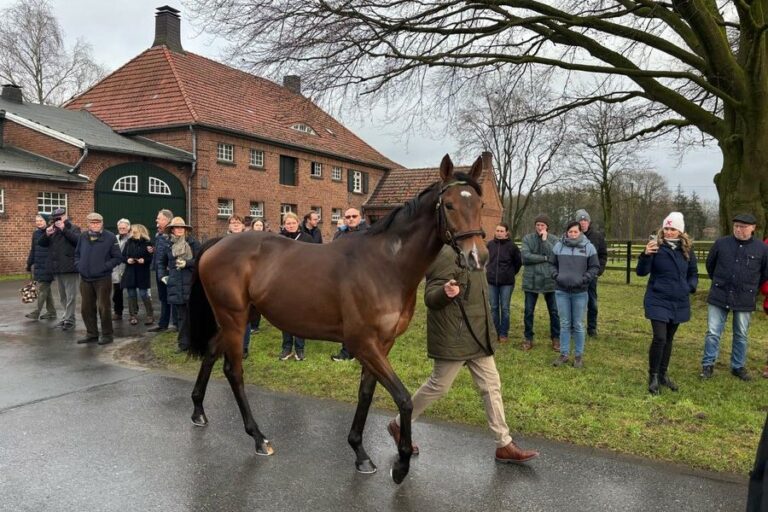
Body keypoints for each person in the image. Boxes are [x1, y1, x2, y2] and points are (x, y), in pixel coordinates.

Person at [386, 244, 539, 464]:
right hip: (454, 335)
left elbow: (479, 295)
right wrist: (445, 292)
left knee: (491, 385)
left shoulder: (475, 251)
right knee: (438, 386)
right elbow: (430, 297)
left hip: (477, 334)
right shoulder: (443, 253)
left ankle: (504, 444)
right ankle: (399, 425)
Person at [700, 213, 768, 381]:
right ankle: (708, 364)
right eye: (736, 226)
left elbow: (764, 273)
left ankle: (738, 366)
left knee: (741, 334)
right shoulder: (721, 244)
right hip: (720, 294)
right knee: (713, 332)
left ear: (753, 228)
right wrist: (720, 281)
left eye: (743, 227)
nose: (739, 229)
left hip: (745, 297)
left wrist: (750, 287)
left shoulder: (762, 249)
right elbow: (710, 265)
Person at [636, 212, 698, 394]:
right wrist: (645, 255)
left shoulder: (687, 250)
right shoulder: (656, 247)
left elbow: (693, 272)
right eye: (666, 228)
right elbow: (641, 272)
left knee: (669, 339)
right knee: (660, 337)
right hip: (658, 298)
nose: (669, 232)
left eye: (673, 229)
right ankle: (653, 376)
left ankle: (663, 374)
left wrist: (689, 287)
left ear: (680, 231)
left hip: (678, 300)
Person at [550, 220, 600, 368]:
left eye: (575, 232)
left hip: (580, 292)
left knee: (578, 324)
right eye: (570, 231)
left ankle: (578, 356)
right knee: (565, 324)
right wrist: (556, 276)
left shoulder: (588, 247)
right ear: (566, 232)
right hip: (561, 291)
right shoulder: (558, 246)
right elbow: (552, 264)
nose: (572, 234)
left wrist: (584, 279)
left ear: (580, 232)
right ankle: (564, 354)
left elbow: (594, 267)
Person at [74, 213, 123, 345]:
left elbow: (118, 257)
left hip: (103, 278)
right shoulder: (83, 236)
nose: (95, 225)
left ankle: (107, 334)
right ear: (88, 224)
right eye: (92, 222)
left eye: (98, 222)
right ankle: (92, 333)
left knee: (104, 307)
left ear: (102, 223)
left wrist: (104, 267)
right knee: (86, 308)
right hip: (85, 278)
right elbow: (77, 254)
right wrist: (79, 265)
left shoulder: (110, 237)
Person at [331, 207, 368, 361]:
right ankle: (347, 350)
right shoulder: (340, 234)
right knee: (346, 316)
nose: (351, 219)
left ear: (360, 217)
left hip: (364, 281)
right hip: (343, 281)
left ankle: (364, 349)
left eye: (354, 216)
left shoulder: (369, 234)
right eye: (348, 217)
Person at [159, 217, 201, 353]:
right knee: (181, 316)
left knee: (194, 314)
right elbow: (161, 262)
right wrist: (163, 276)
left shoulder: (193, 243)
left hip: (191, 282)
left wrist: (187, 263)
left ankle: (197, 342)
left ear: (185, 229)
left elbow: (201, 260)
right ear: (172, 229)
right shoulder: (168, 245)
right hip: (175, 284)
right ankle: (183, 344)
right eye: (176, 227)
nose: (179, 230)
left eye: (181, 227)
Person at [521, 214, 560, 352]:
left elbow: (555, 256)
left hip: (549, 280)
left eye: (542, 225)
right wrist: (544, 258)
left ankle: (556, 338)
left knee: (554, 311)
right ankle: (528, 338)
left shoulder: (554, 239)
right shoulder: (527, 239)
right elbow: (525, 257)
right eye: (537, 225)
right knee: (528, 311)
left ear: (547, 226)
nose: (539, 227)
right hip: (531, 280)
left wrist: (544, 241)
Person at [38, 207, 81, 331]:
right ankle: (65, 317)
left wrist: (64, 229)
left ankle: (70, 320)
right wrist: (47, 233)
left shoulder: (73, 228)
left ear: (65, 216)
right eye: (55, 218)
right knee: (62, 296)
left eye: (60, 217)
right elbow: (41, 243)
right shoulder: (53, 229)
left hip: (70, 266)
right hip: (57, 267)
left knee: (71, 296)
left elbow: (78, 241)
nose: (57, 220)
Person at [278, 212, 314, 361]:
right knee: (284, 315)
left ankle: (299, 349)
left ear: (298, 223)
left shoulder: (307, 238)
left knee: (300, 315)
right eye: (288, 223)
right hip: (283, 281)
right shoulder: (279, 239)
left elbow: (314, 259)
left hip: (302, 281)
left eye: (293, 223)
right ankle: (286, 347)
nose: (291, 225)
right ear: (284, 225)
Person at [486, 223, 522, 344]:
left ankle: (503, 333)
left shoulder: (512, 247)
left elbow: (518, 263)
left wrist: (510, 273)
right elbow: (486, 260)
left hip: (507, 283)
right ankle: (495, 332)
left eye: (502, 231)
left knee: (505, 308)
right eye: (497, 230)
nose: (499, 233)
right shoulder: (490, 245)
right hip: (491, 282)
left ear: (506, 232)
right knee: (493, 308)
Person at [575, 209, 607, 337]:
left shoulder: (597, 237)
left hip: (591, 275)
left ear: (589, 222)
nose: (583, 223)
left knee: (592, 302)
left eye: (585, 220)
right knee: (576, 302)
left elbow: (603, 255)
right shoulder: (572, 234)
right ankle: (575, 327)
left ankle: (592, 328)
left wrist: (599, 270)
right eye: (580, 221)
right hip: (575, 275)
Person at [226, 215, 253, 358]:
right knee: (227, 317)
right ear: (229, 226)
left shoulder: (249, 242)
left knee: (244, 316)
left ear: (243, 225)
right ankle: (229, 346)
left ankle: (244, 347)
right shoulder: (223, 243)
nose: (235, 225)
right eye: (233, 222)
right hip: (227, 283)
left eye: (238, 222)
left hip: (244, 284)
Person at [148, 210, 178, 333]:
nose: (156, 220)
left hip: (169, 271)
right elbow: (161, 252)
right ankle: (163, 324)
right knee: (163, 298)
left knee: (173, 298)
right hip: (159, 270)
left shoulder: (173, 234)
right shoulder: (159, 235)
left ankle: (175, 324)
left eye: (159, 218)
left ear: (166, 220)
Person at [121, 224, 154, 326]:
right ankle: (133, 315)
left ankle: (150, 315)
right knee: (131, 294)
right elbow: (123, 256)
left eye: (133, 231)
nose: (131, 233)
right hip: (130, 271)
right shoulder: (128, 242)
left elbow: (151, 258)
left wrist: (144, 260)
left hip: (142, 272)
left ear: (140, 232)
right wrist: (128, 260)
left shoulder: (147, 243)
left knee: (144, 293)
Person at [25, 214, 57, 320]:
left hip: (48, 266)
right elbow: (33, 249)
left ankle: (36, 312)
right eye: (37, 220)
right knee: (46, 290)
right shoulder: (35, 234)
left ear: (47, 221)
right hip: (38, 265)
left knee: (42, 289)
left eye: (41, 220)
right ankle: (51, 312)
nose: (38, 222)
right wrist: (29, 263)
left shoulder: (52, 233)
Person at [248, 218, 265, 334]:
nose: (259, 227)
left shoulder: (266, 239)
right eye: (257, 225)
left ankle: (255, 325)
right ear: (253, 226)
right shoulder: (248, 239)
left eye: (260, 225)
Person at [111, 218, 131, 320]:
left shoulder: (132, 239)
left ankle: (133, 312)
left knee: (132, 292)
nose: (122, 230)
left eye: (124, 228)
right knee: (117, 293)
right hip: (116, 269)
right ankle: (118, 312)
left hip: (128, 268)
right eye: (120, 228)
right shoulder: (114, 238)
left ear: (128, 228)